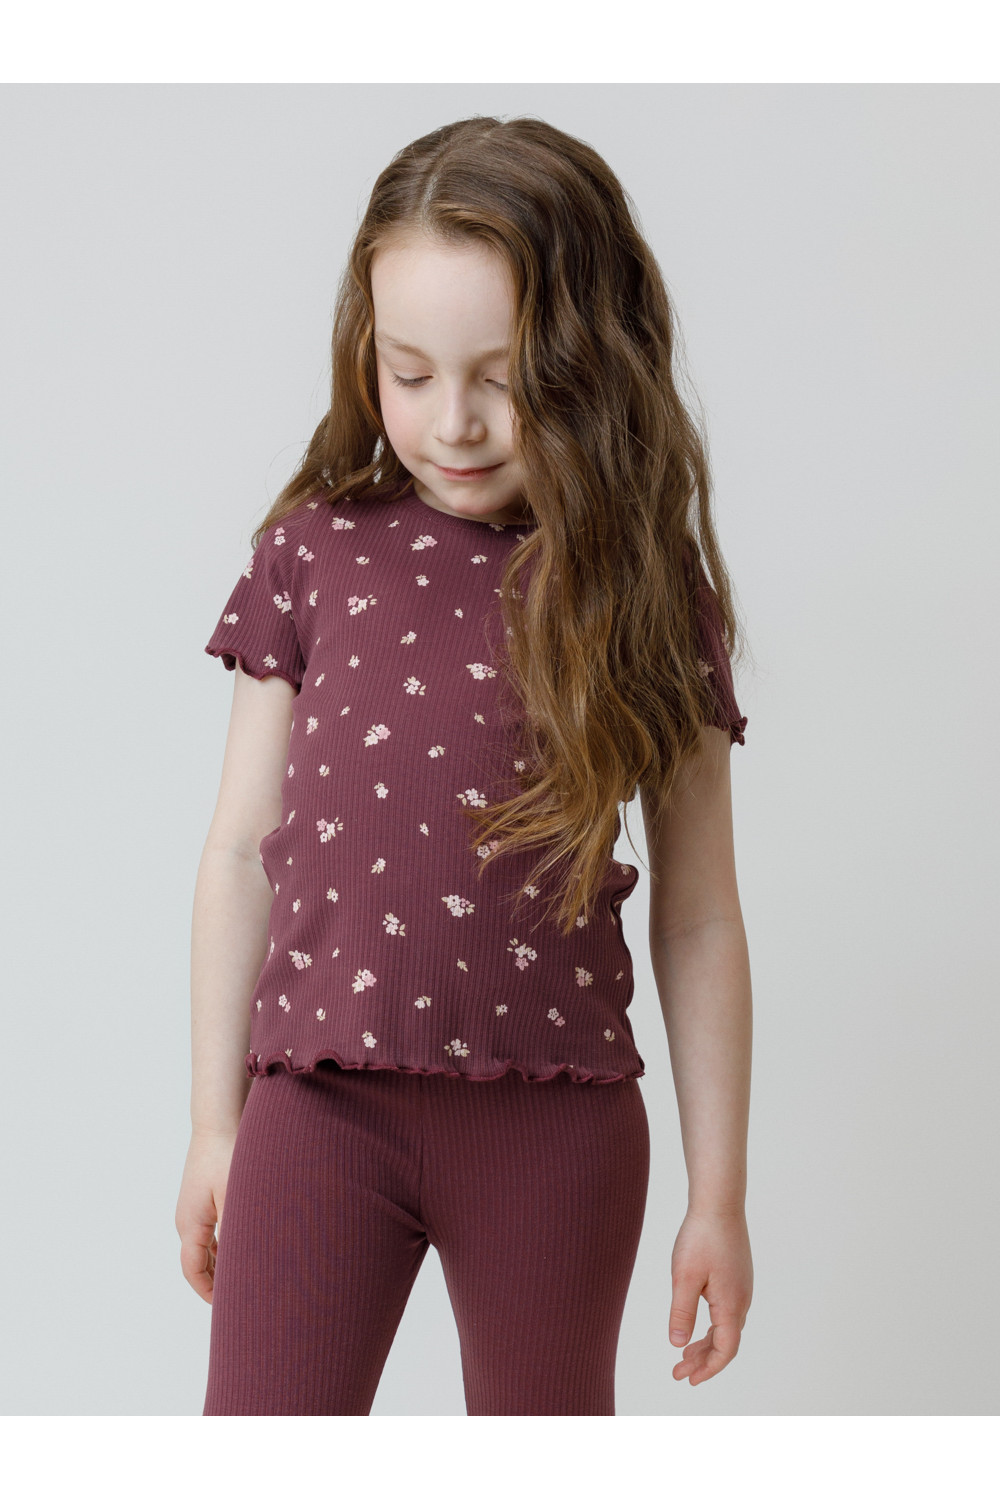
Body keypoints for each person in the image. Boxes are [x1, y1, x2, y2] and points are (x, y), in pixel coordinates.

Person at [175, 114, 754, 1417]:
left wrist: (718, 1198)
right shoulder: (311, 554)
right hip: (319, 1106)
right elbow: (239, 851)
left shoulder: (643, 587)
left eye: (506, 376)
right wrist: (216, 1125)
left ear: (593, 357)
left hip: (556, 1122)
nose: (457, 421)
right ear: (366, 352)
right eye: (411, 371)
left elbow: (701, 913)